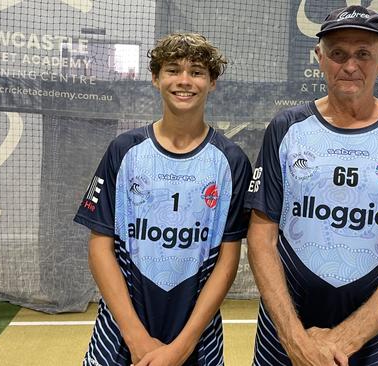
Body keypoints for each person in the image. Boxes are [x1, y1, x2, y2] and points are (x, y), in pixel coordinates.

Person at [245, 5, 378, 366]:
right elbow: (261, 237)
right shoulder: (285, 129)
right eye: (338, 53)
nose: (350, 65)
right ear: (319, 57)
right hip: (286, 338)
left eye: (363, 54)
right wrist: (294, 338)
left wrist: (341, 340)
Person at [74, 33, 252, 366]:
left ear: (212, 82)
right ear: (156, 78)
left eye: (197, 71)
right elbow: (100, 246)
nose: (184, 81)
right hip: (121, 332)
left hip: (197, 337)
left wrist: (183, 346)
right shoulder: (124, 150)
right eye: (173, 70)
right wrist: (136, 338)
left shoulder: (231, 160)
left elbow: (228, 260)